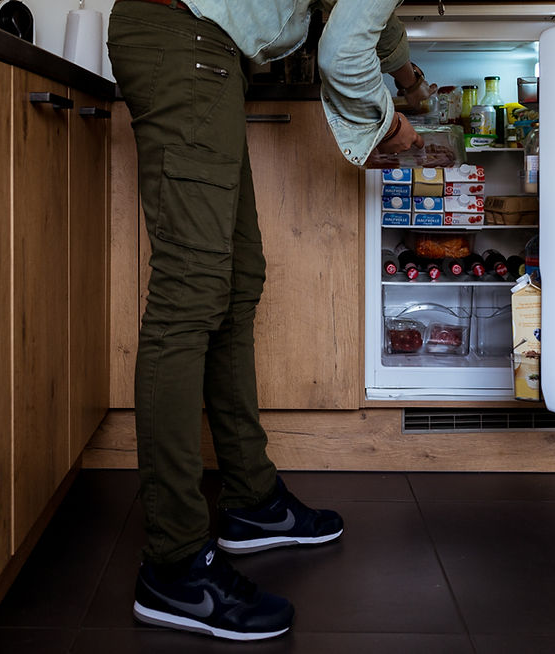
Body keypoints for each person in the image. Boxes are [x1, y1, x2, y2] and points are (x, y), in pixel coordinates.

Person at [107, 0, 435, 641]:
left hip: (204, 47)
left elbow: (350, 8)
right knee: (189, 292)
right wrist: (384, 122)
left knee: (235, 280)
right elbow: (342, 50)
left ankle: (251, 501)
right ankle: (174, 564)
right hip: (183, 36)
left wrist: (407, 76)